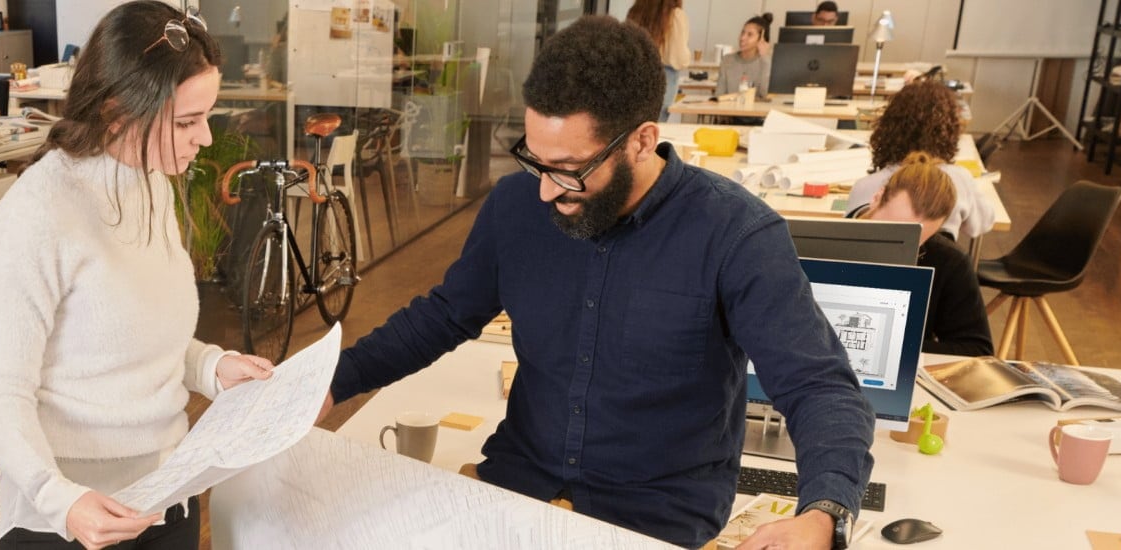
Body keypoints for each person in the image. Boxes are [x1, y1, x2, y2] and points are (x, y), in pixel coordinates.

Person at [323, 16, 874, 550]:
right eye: (535, 161)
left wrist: (823, 512)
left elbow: (818, 386)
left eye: (568, 168)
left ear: (642, 140)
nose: (544, 190)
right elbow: (442, 315)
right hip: (523, 483)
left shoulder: (736, 234)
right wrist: (331, 383)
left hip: (656, 512)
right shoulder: (517, 208)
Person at [0, 3, 275, 549]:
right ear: (117, 112)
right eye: (187, 121)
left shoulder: (148, 182)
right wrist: (60, 497)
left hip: (165, 494)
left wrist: (212, 366)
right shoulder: (35, 218)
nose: (204, 137)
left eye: (206, 116)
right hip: (67, 520)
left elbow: (136, 335)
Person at [851, 153, 994, 357]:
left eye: (917, 241)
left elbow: (976, 350)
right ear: (876, 198)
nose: (899, 248)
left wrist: (893, 348)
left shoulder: (948, 261)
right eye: (892, 233)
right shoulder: (825, 242)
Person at [845, 79, 998, 240]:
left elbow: (850, 238)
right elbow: (982, 224)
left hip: (877, 264)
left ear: (886, 128)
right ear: (949, 132)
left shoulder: (864, 186)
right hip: (940, 264)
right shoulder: (959, 179)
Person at [626, 0, 689, 121]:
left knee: (634, 125)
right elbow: (679, 58)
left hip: (635, 75)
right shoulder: (675, 15)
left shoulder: (635, 12)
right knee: (655, 124)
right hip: (664, 78)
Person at [718, 13, 775, 100]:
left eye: (750, 35)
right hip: (729, 111)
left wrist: (765, 59)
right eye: (742, 33)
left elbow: (764, 95)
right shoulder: (727, 60)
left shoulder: (766, 63)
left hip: (755, 112)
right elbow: (719, 95)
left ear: (761, 39)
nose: (742, 38)